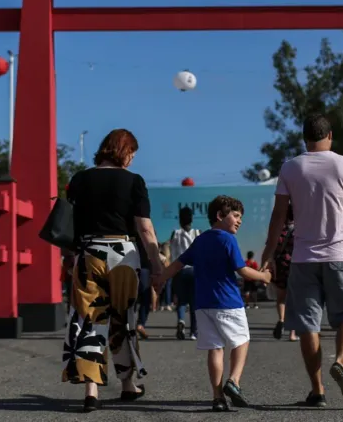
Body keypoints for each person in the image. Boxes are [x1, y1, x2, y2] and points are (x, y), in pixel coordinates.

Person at [261, 113, 343, 407]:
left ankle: (317, 390)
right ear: (330, 135)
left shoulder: (291, 167)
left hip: (303, 258)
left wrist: (268, 252)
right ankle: (342, 362)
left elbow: (279, 215)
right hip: (339, 256)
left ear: (305, 138)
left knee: (309, 324)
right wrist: (339, 213)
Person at [61, 129, 163, 413]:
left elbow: (70, 223)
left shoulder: (80, 179)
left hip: (88, 253)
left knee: (90, 318)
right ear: (124, 150)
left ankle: (91, 390)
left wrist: (70, 257)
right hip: (123, 256)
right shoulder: (133, 181)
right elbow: (144, 227)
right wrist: (156, 263)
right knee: (124, 319)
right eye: (131, 153)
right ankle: (128, 385)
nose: (131, 160)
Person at [158, 195, 272, 412]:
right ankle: (234, 381)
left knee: (215, 349)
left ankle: (218, 397)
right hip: (227, 302)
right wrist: (263, 276)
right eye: (236, 216)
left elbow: (177, 264)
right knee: (241, 341)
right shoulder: (228, 239)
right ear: (220, 216)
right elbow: (242, 270)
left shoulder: (200, 240)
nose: (239, 221)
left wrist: (159, 279)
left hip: (203, 304)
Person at [170, 206, 200, 340]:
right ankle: (194, 332)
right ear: (191, 219)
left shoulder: (175, 234)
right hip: (195, 270)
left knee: (181, 300)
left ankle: (181, 320)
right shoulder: (198, 232)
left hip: (180, 270)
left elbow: (172, 254)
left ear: (180, 220)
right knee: (194, 302)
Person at [272, 204, 297, 341]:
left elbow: (271, 248)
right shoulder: (300, 229)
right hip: (296, 266)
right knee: (294, 300)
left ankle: (281, 320)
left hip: (281, 265)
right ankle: (293, 333)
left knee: (281, 298)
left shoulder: (279, 229)